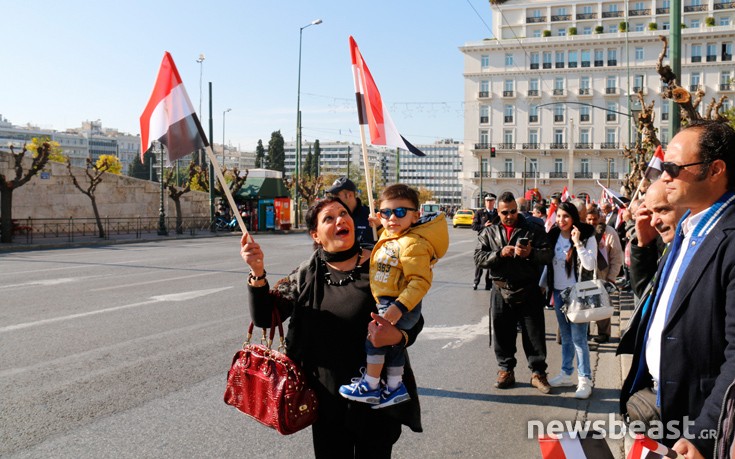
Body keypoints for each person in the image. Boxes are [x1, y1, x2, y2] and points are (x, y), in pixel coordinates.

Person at [240, 196, 423, 458]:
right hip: (326, 400)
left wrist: (399, 335)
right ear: (316, 234)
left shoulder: (383, 264)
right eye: (329, 218)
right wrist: (257, 272)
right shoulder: (306, 274)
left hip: (377, 397)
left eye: (344, 213)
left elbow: (413, 315)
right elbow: (266, 318)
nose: (340, 219)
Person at [619, 120, 735, 458]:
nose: (664, 175)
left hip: (698, 420)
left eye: (673, 167)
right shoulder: (687, 229)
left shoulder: (728, 238)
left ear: (715, 169)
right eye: (662, 167)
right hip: (659, 409)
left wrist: (704, 431)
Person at [340, 184, 448, 408]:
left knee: (375, 341)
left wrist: (398, 307)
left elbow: (420, 281)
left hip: (397, 302)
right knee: (392, 346)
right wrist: (380, 226)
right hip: (391, 301)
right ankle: (394, 386)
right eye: (386, 212)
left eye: (400, 212)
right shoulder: (397, 236)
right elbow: (391, 246)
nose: (392, 218)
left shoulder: (413, 244)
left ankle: (370, 385)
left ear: (416, 215)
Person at [474, 192, 553, 393]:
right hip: (500, 288)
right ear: (498, 212)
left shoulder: (533, 229)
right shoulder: (489, 232)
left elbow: (548, 254)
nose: (509, 215)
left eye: (512, 211)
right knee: (503, 333)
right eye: (504, 212)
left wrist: (531, 253)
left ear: (517, 210)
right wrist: (499, 254)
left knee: (534, 334)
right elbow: (479, 258)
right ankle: (506, 370)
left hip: (528, 288)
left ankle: (538, 373)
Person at [545, 202, 597, 399]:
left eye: (565, 216)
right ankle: (566, 373)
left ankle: (585, 379)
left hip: (578, 293)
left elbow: (590, 264)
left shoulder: (587, 235)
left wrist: (578, 243)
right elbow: (549, 265)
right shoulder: (553, 235)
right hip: (558, 293)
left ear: (574, 217)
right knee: (565, 337)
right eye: (558, 216)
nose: (561, 220)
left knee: (579, 338)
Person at [585, 204, 623, 344]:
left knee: (602, 304)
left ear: (599, 217)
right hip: (586, 273)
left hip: (603, 274)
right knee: (584, 304)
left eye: (594, 219)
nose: (592, 222)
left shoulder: (609, 232)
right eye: (589, 219)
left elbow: (616, 256)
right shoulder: (583, 231)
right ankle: (585, 331)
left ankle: (604, 333)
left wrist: (612, 277)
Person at [327, 176, 376, 248]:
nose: (333, 199)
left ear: (349, 195)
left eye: (336, 195)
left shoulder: (371, 215)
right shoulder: (333, 218)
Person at [472, 194, 497, 290]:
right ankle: (476, 282)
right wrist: (484, 226)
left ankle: (488, 284)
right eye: (487, 201)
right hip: (482, 241)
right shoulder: (480, 213)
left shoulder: (497, 213)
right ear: (485, 202)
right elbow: (474, 226)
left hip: (494, 241)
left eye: (491, 201)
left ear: (494, 201)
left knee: (491, 262)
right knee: (480, 262)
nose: (489, 203)